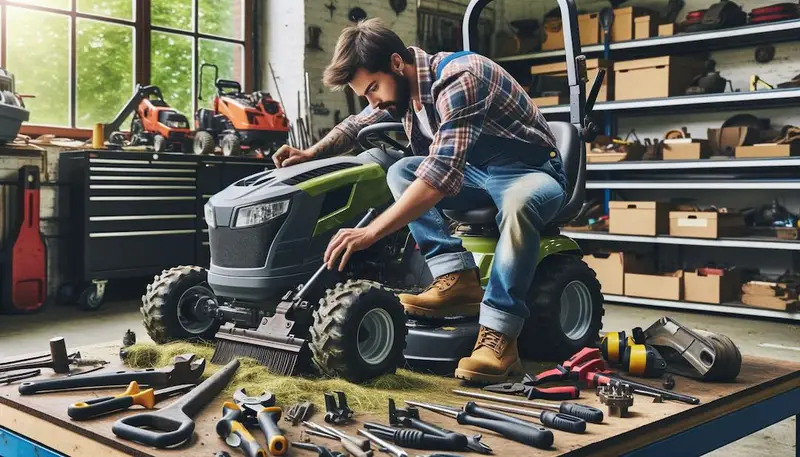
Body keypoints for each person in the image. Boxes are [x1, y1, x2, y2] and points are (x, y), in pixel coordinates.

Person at [271, 18, 568, 384]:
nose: (373, 99)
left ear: (397, 62)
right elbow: (355, 124)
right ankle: (456, 277)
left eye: (374, 88)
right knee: (400, 171)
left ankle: (499, 338)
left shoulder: (461, 77)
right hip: (478, 173)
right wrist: (310, 154)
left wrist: (370, 234)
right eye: (366, 93)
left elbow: (440, 177)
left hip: (530, 172)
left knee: (518, 204)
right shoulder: (404, 90)